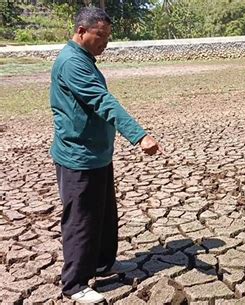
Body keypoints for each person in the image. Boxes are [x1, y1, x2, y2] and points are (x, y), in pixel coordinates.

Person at [50, 7, 164, 303]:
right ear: (81, 31)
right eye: (100, 35)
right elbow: (103, 102)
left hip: (96, 154)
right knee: (81, 220)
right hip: (78, 156)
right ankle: (74, 284)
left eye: (108, 37)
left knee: (103, 214)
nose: (105, 43)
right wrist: (140, 135)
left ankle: (102, 263)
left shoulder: (84, 59)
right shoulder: (72, 63)